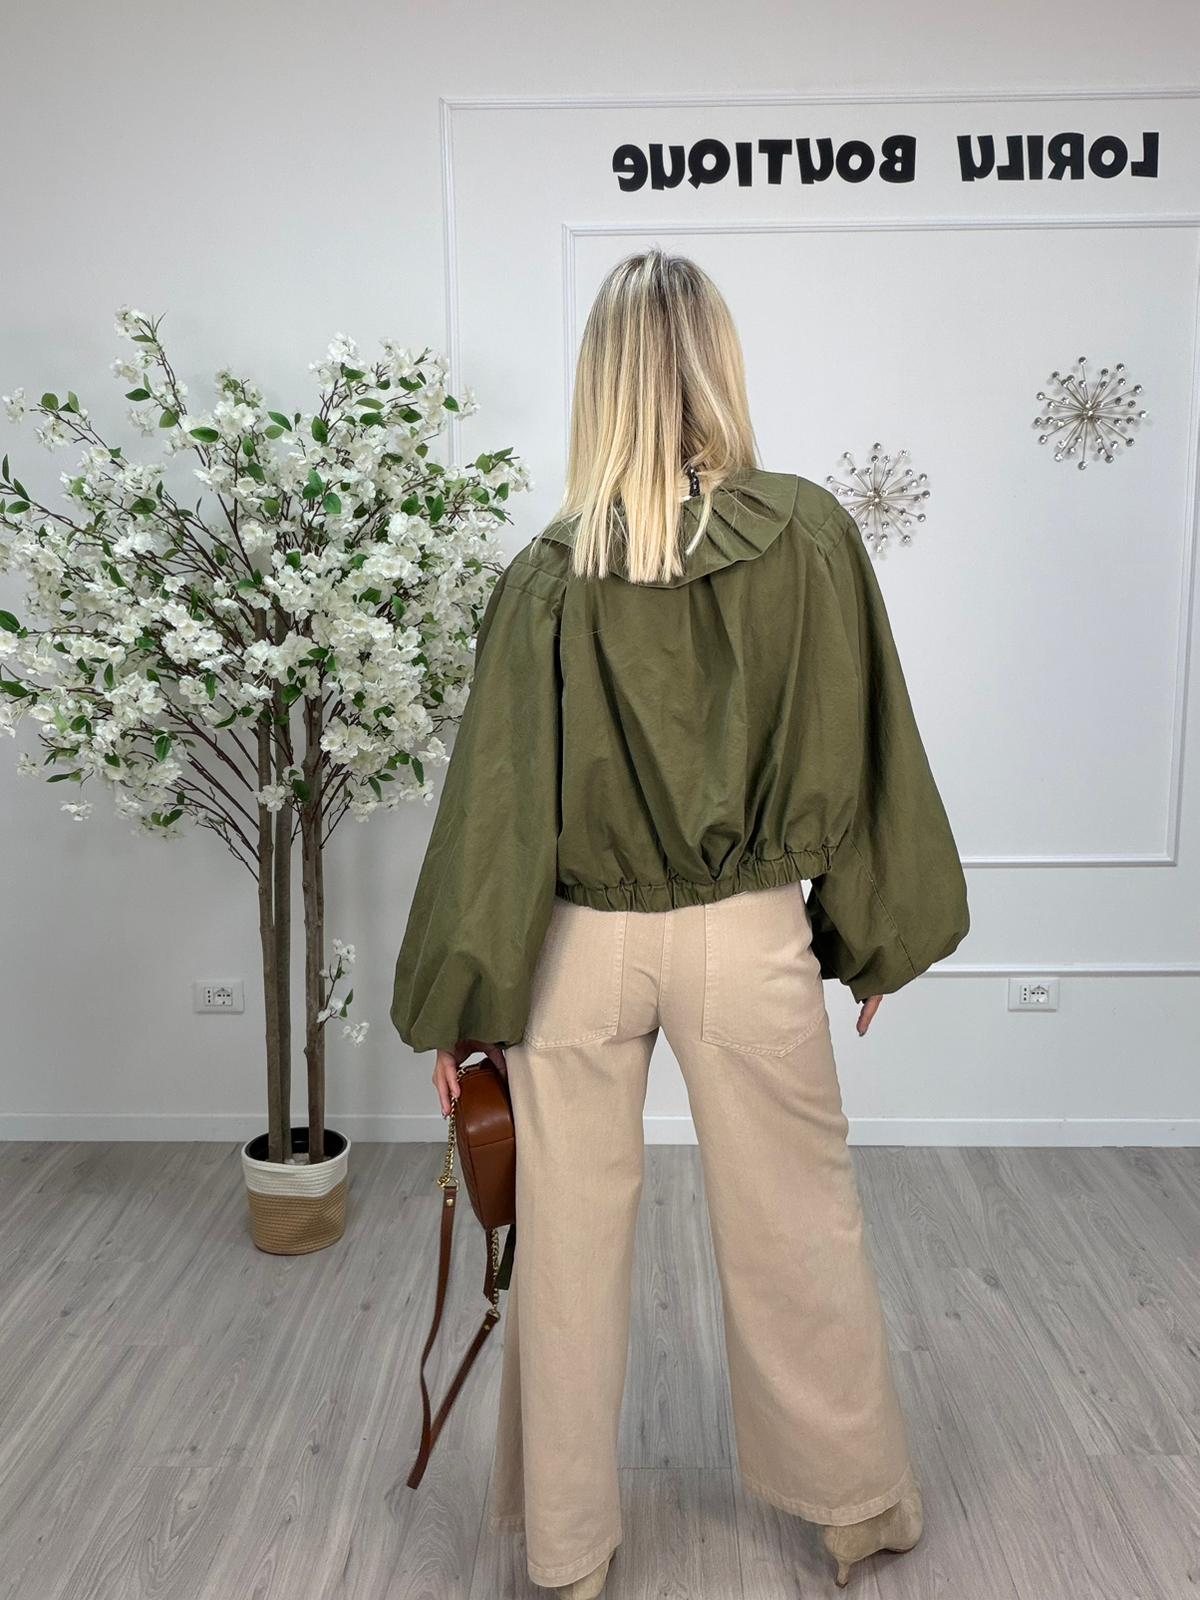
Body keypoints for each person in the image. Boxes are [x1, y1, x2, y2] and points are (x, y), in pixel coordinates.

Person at [390, 247, 969, 1597]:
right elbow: (865, 737)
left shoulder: (547, 573)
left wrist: (462, 1008)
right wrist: (872, 933)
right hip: (748, 937)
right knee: (799, 1227)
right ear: (719, 361)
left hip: (577, 950)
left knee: (567, 1247)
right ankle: (858, 1511)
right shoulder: (811, 536)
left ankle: (570, 1556)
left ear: (599, 378)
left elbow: (500, 806)